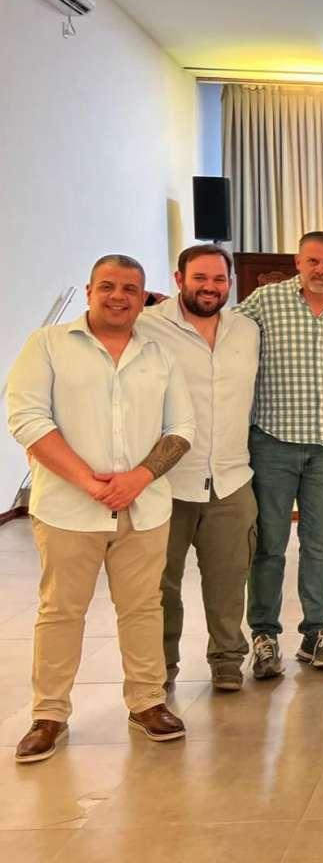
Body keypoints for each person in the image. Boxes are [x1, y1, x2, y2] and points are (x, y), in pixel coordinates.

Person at [6, 255, 195, 762]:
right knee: (61, 611)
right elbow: (27, 419)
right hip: (68, 510)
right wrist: (88, 481)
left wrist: (139, 477)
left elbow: (182, 428)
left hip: (144, 508)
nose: (118, 296)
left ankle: (147, 702)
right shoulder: (47, 345)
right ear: (89, 290)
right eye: (108, 286)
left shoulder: (159, 353)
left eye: (130, 289)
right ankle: (49, 715)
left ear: (142, 297)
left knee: (143, 608)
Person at [237, 231, 323, 677]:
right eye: (313, 261)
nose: (321, 270)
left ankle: (316, 633)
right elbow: (220, 336)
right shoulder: (264, 302)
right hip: (271, 443)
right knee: (269, 545)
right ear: (298, 261)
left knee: (320, 546)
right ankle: (264, 636)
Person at [136, 245, 260, 692]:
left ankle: (227, 660)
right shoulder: (146, 325)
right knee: (159, 586)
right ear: (179, 279)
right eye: (200, 278)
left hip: (232, 478)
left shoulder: (246, 329)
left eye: (219, 279)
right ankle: (161, 667)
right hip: (165, 482)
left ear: (231, 283)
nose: (210, 287)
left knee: (229, 581)